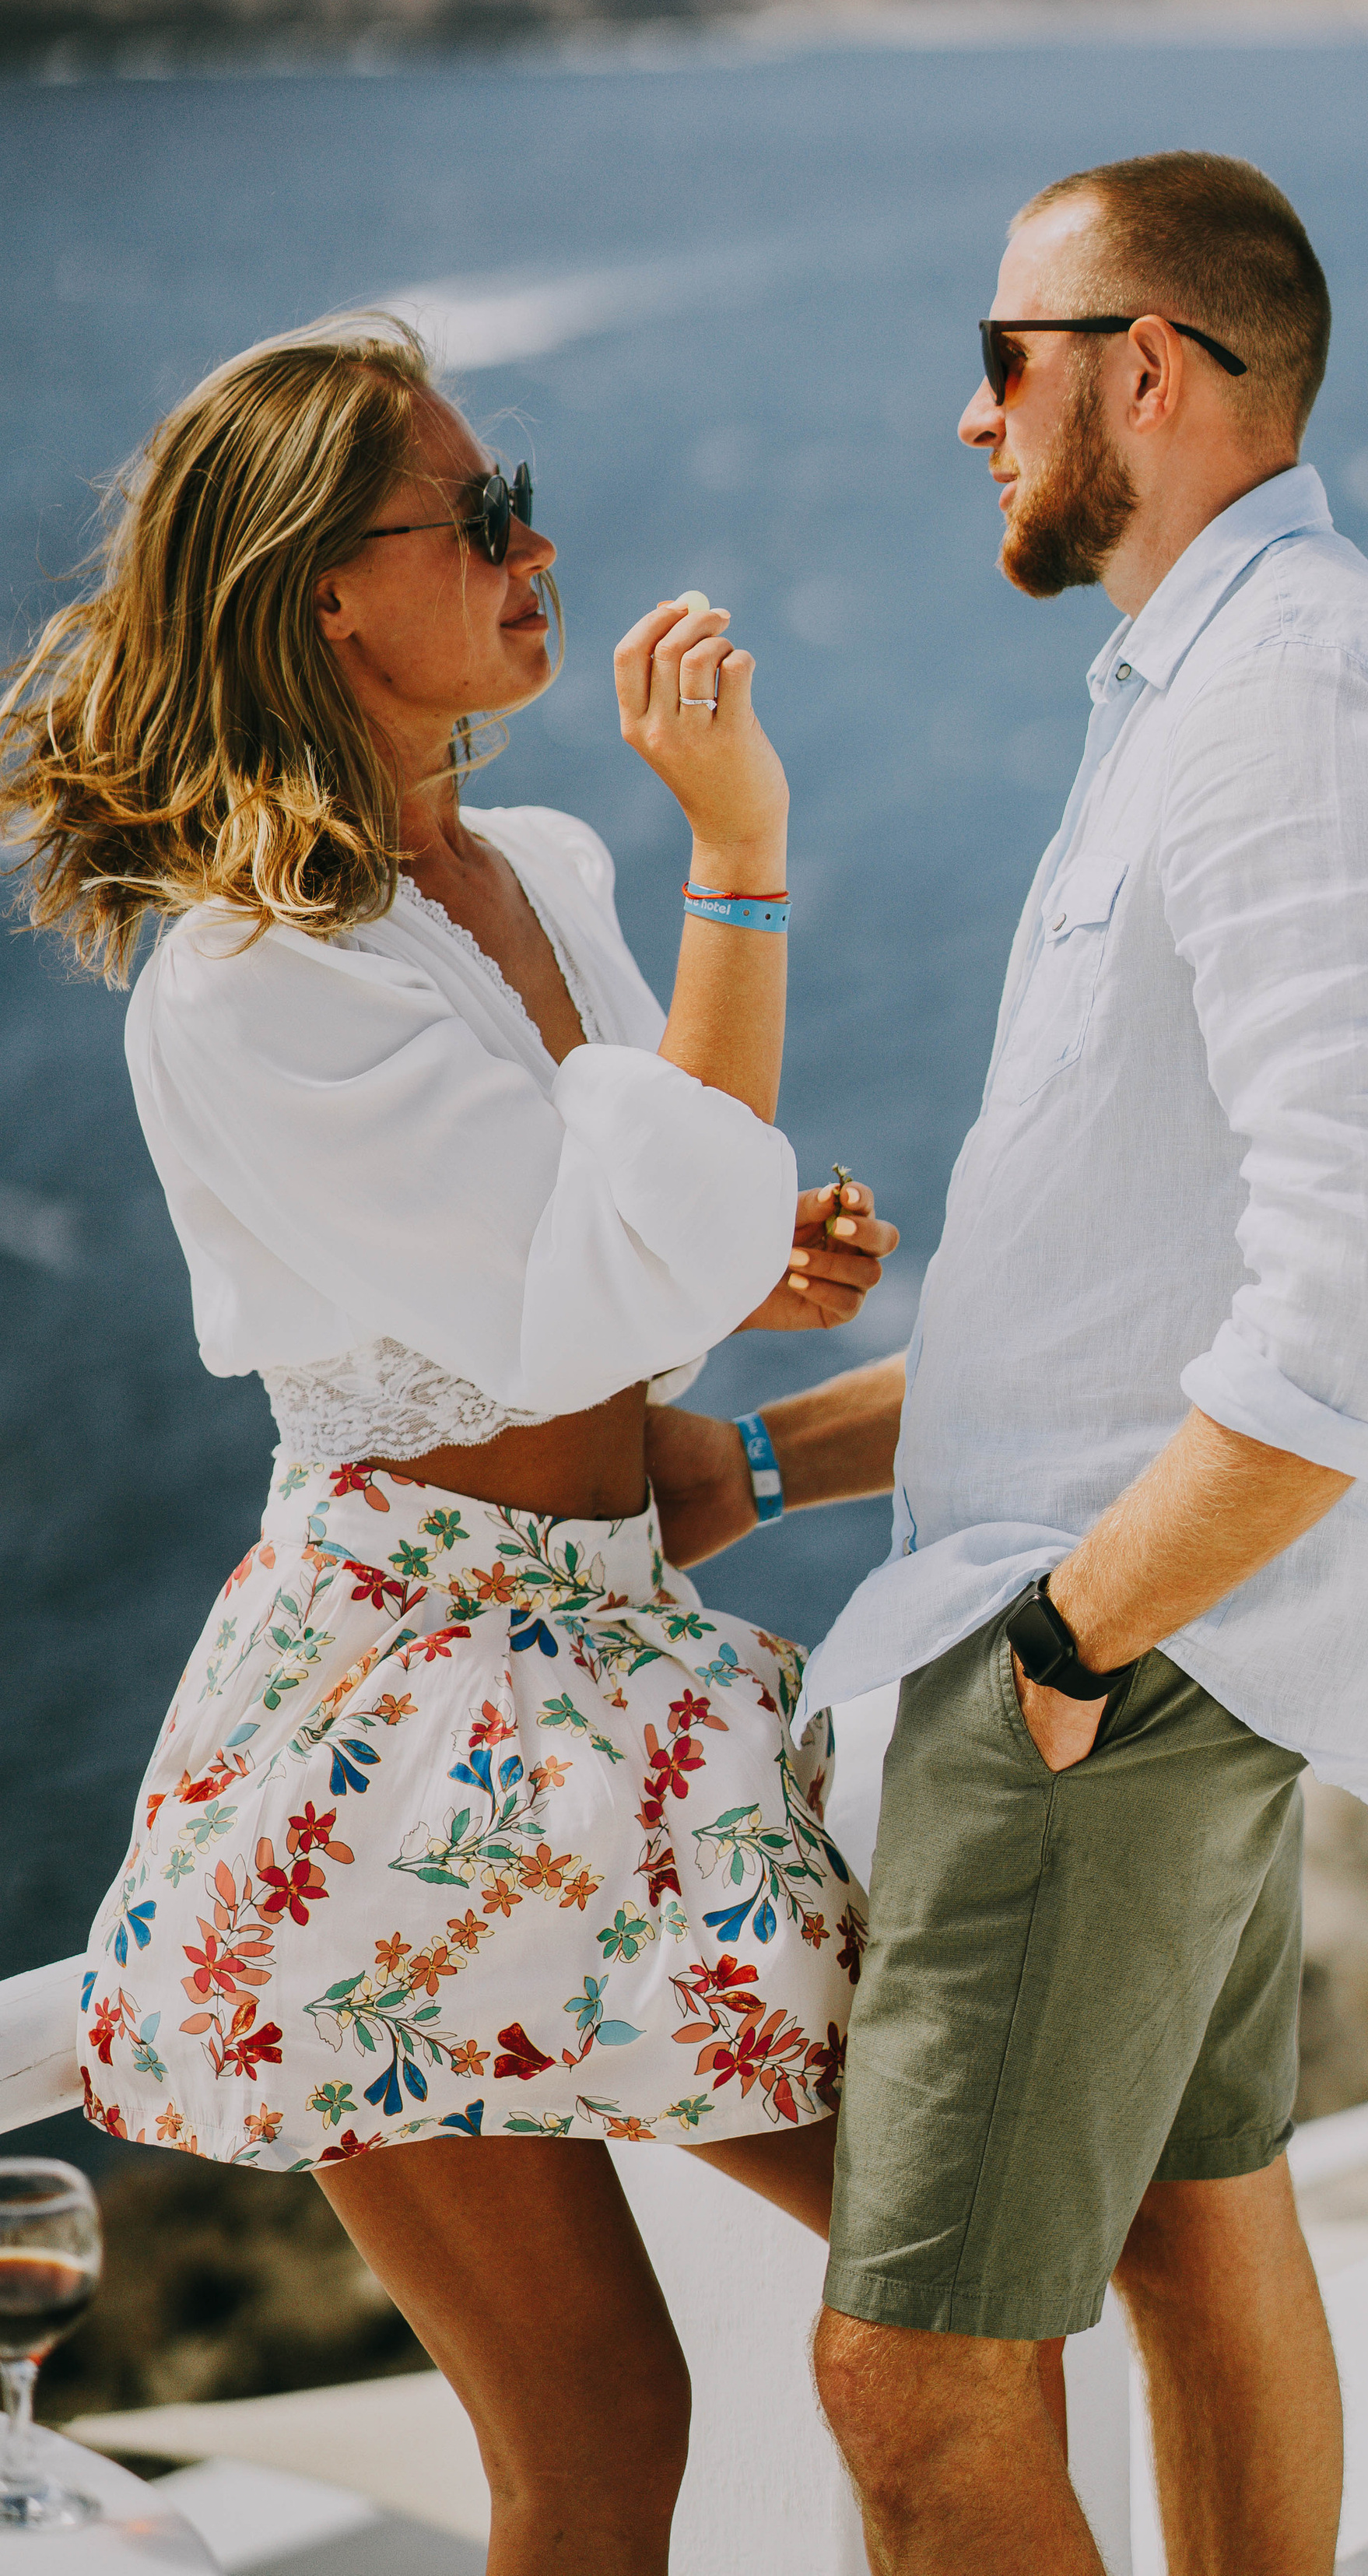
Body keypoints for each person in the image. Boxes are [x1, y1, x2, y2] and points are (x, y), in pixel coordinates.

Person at [658, 149, 1368, 2574]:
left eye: (1002, 361)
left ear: (1143, 371)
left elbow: (1357, 1290)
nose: (971, 418)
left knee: (911, 2375)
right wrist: (769, 1461)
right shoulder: (1234, 679)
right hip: (1175, 1630)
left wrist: (1072, 1642)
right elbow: (1130, 1302)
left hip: (1124, 1658)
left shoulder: (1286, 701)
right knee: (1197, 2232)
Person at [0, 316, 900, 2576]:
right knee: (601, 2433)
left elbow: (618, 1245)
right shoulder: (250, 977)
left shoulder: (552, 866)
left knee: (949, 2226)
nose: (535, 551)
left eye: (524, 504)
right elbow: (586, 1284)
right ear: (322, 589)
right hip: (401, 1732)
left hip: (609, 1661)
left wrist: (744, 1265)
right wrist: (748, 854)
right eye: (478, 517)